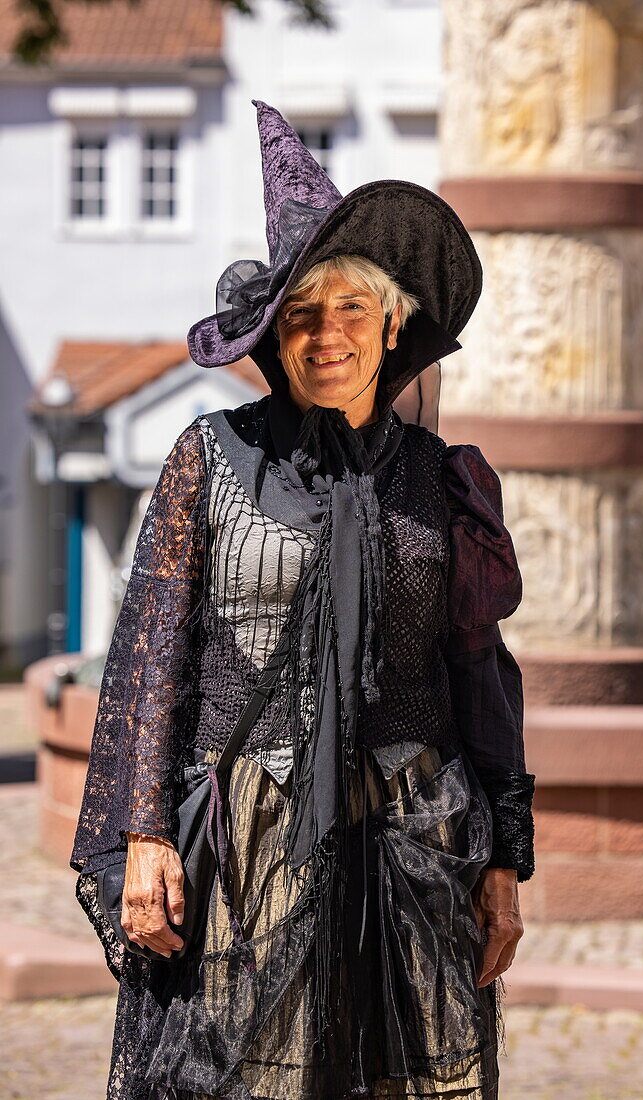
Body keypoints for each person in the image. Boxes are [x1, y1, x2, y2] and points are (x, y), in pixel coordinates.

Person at [71, 100, 535, 1100]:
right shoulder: (212, 456)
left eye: (349, 310)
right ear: (273, 336)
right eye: (300, 315)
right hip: (249, 838)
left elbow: (480, 675)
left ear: (392, 321)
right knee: (241, 1075)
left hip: (415, 838)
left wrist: (504, 860)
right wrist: (145, 833)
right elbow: (153, 659)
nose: (326, 336)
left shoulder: (444, 479)